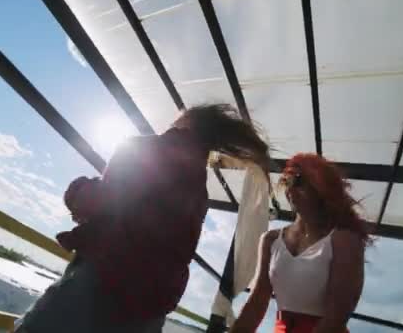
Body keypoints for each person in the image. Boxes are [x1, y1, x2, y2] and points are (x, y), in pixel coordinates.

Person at [15, 104, 271, 332]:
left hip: (100, 284)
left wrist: (77, 191)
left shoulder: (141, 147)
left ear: (187, 122)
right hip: (148, 309)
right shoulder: (199, 191)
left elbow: (104, 202)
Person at [231, 154, 371, 333]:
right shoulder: (270, 240)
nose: (290, 188)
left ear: (320, 188)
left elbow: (336, 316)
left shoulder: (344, 240)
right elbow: (257, 301)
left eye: (298, 181)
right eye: (287, 181)